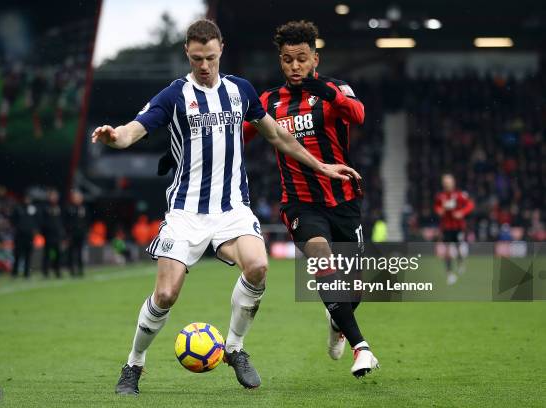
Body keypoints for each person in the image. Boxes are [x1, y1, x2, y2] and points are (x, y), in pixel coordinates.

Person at [91, 19, 360, 396]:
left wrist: (320, 165)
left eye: (211, 58)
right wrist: (115, 136)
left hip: (233, 208)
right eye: (198, 58)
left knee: (259, 266)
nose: (204, 65)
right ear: (188, 52)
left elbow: (278, 136)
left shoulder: (240, 91)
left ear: (222, 50)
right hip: (186, 212)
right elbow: (136, 128)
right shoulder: (174, 94)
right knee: (166, 294)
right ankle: (133, 364)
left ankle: (235, 347)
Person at [241, 20, 379, 377]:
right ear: (281, 62)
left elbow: (359, 114)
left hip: (344, 200)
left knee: (354, 289)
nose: (295, 67)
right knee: (319, 252)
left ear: (315, 59)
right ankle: (360, 348)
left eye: (302, 59)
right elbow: (238, 136)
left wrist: (326, 91)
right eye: (287, 60)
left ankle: (337, 322)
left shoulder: (335, 89)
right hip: (300, 202)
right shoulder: (268, 101)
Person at [434, 173, 474, 285]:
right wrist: (439, 210)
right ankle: (449, 273)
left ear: (453, 183)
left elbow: (470, 205)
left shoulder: (459, 195)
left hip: (458, 227)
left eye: (449, 182)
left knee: (458, 246)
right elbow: (437, 207)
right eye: (445, 183)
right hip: (446, 227)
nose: (447, 184)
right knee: (447, 250)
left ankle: (460, 262)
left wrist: (462, 212)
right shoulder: (440, 196)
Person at [11, 194, 38, 278]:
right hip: (19, 235)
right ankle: (14, 272)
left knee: (28, 255)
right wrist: (18, 228)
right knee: (17, 254)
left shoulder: (33, 209)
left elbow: (37, 220)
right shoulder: (18, 208)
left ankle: (27, 273)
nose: (27, 200)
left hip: (29, 235)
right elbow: (13, 220)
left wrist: (34, 230)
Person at [40, 189, 64, 278]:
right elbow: (42, 221)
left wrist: (62, 233)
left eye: (55, 196)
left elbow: (61, 222)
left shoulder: (58, 207)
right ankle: (45, 271)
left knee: (57, 254)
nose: (54, 198)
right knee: (47, 253)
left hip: (57, 235)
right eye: (52, 196)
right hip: (48, 235)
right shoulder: (45, 207)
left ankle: (57, 270)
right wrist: (44, 232)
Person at [64, 189, 88, 277]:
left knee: (80, 252)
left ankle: (80, 269)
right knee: (71, 252)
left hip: (80, 234)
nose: (79, 199)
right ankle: (71, 270)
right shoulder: (69, 208)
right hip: (72, 234)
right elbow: (66, 222)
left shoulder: (83, 208)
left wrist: (85, 232)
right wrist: (67, 235)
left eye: (80, 197)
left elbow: (85, 221)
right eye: (77, 197)